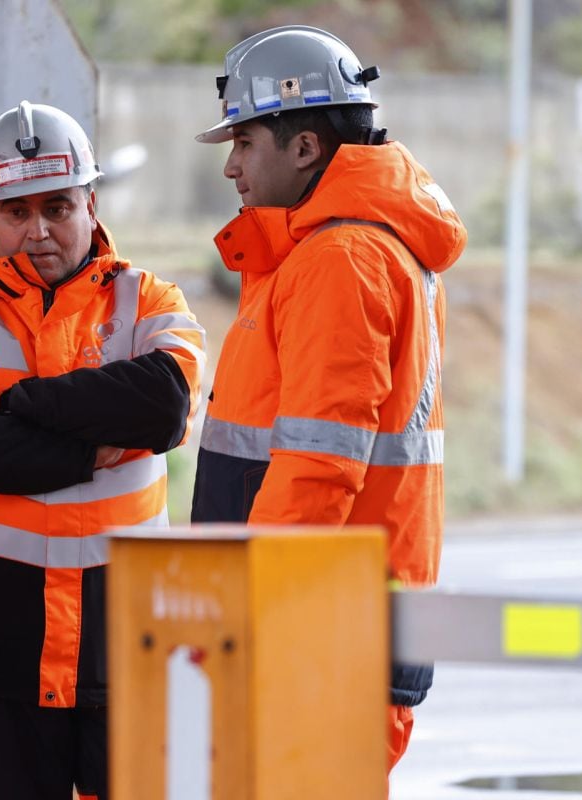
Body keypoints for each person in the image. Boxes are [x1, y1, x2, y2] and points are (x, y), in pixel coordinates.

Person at [0, 101, 206, 800]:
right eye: (16, 211)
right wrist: (94, 450)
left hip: (125, 633)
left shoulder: (151, 300)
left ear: (91, 204)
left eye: (58, 207)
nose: (37, 230)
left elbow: (164, 406)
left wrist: (17, 403)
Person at [188, 26, 467, 774]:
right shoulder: (348, 248)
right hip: (335, 616)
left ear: (305, 147)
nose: (231, 165)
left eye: (244, 141)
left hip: (314, 624)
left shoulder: (342, 257)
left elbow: (319, 465)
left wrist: (253, 608)